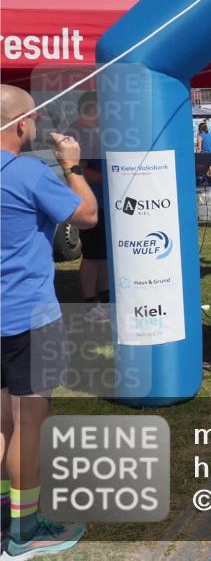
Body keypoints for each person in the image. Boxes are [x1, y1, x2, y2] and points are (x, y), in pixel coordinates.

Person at [1, 84, 97, 558]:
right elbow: (87, 215)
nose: (38, 123)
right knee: (30, 423)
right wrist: (72, 166)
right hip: (29, 315)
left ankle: (7, 514)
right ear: (21, 124)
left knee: (4, 421)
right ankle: (25, 531)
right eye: (35, 117)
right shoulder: (28, 173)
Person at [66, 92, 110, 324]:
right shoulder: (78, 133)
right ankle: (90, 304)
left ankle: (105, 300)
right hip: (91, 203)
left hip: (102, 203)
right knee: (93, 255)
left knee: (102, 254)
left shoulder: (94, 132)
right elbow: (79, 170)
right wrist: (111, 178)